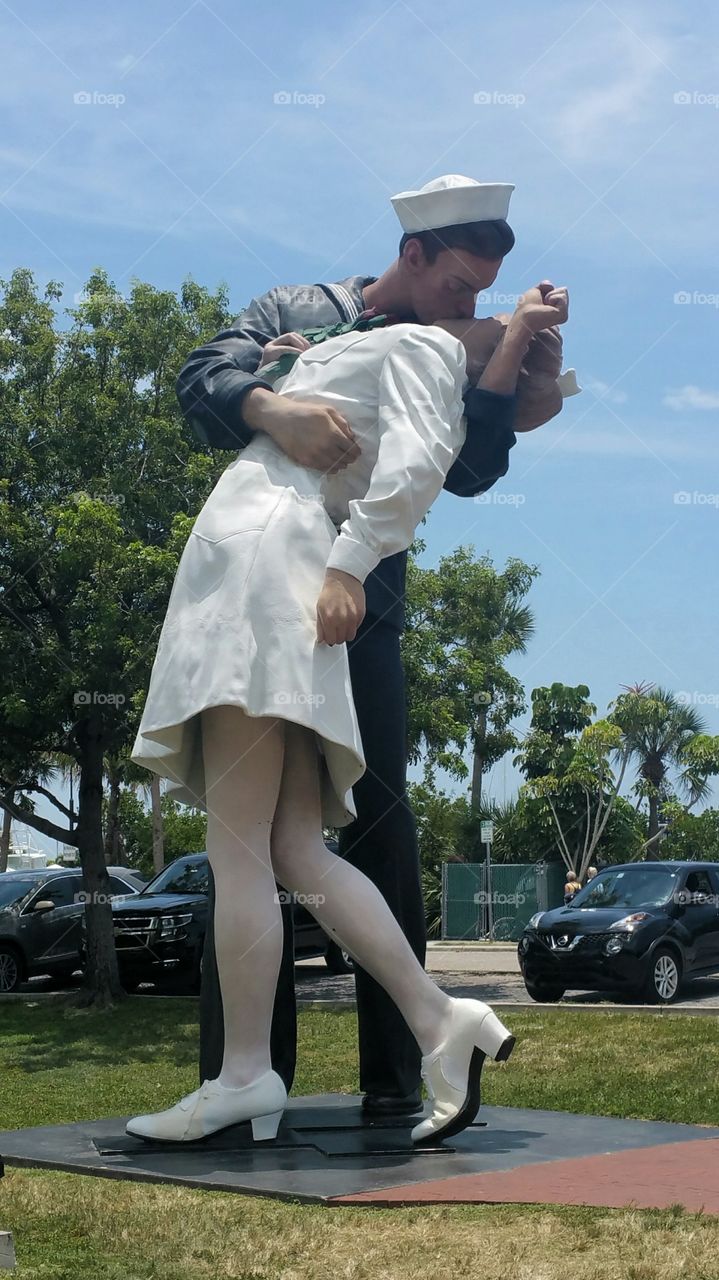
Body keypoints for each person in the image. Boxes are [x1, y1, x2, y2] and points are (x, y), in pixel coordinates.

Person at [126, 279, 569, 1147]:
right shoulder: (358, 335)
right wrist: (283, 370)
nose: (476, 307)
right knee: (289, 846)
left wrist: (348, 565)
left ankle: (245, 1074)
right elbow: (211, 375)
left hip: (260, 574)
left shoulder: (427, 350)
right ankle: (439, 1018)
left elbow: (425, 463)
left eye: (489, 311)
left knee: (239, 848)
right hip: (275, 565)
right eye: (473, 290)